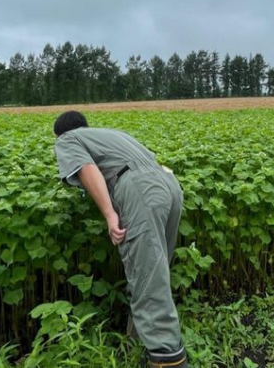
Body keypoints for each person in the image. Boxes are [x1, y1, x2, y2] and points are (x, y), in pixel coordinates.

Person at [53, 110, 188, 368]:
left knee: (147, 276)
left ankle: (169, 360)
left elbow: (86, 168)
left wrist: (109, 214)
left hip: (140, 190)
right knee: (154, 271)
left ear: (60, 134)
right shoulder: (113, 134)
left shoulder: (67, 139)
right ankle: (138, 341)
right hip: (169, 186)